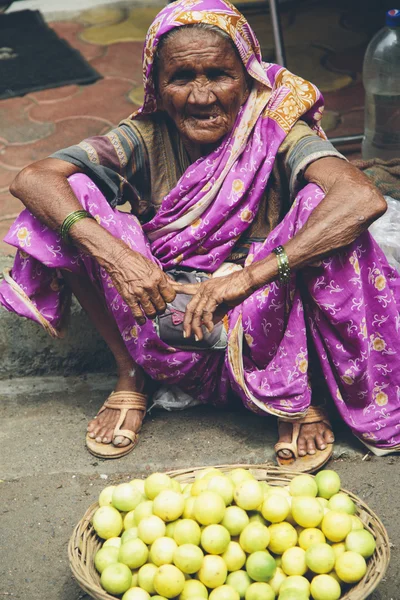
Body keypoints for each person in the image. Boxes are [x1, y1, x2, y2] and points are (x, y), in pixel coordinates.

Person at [1, 0, 399, 470]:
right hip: (162, 318)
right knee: (62, 201)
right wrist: (120, 258)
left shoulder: (275, 129)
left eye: (219, 74)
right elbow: (33, 178)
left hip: (262, 321)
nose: (201, 95)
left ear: (248, 77)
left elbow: (362, 198)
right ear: (157, 86)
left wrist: (248, 278)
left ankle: (296, 389)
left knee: (326, 209)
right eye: (181, 78)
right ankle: (130, 375)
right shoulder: (145, 135)